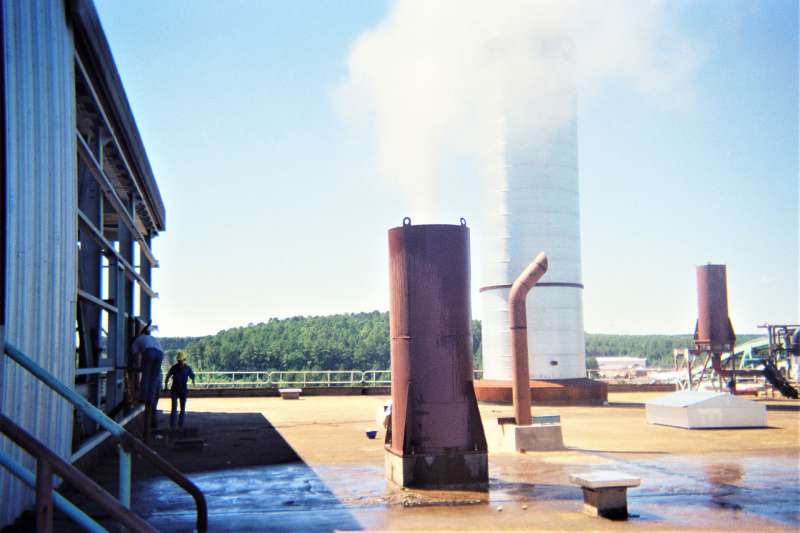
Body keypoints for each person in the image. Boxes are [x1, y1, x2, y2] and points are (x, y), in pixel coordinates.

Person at [131, 319, 164, 442]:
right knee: (153, 378)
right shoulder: (152, 339)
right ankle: (150, 397)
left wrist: (136, 366)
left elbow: (134, 356)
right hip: (160, 353)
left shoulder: (136, 341)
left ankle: (144, 397)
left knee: (145, 376)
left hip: (149, 352)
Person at [165, 351, 196, 430]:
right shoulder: (181, 368)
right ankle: (173, 426)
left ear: (184, 360)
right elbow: (168, 376)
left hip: (180, 390)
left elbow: (192, 376)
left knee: (181, 409)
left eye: (181, 361)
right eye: (179, 361)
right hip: (176, 390)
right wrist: (165, 386)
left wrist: (193, 381)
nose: (180, 362)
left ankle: (179, 426)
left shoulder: (182, 368)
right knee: (175, 408)